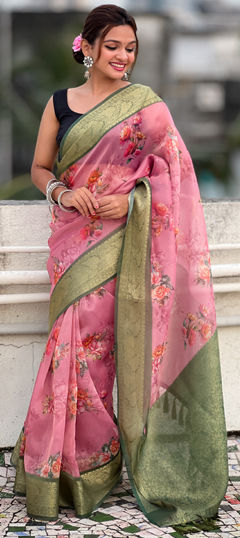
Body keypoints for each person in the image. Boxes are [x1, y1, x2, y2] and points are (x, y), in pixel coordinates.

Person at [11, 4, 228, 528]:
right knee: (71, 346)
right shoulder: (60, 104)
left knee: (107, 353)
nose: (122, 57)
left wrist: (130, 201)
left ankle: (103, 466)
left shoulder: (148, 108)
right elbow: (40, 168)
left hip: (125, 244)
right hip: (70, 247)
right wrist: (63, 192)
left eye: (130, 48)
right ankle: (67, 468)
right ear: (86, 47)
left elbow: (176, 175)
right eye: (112, 46)